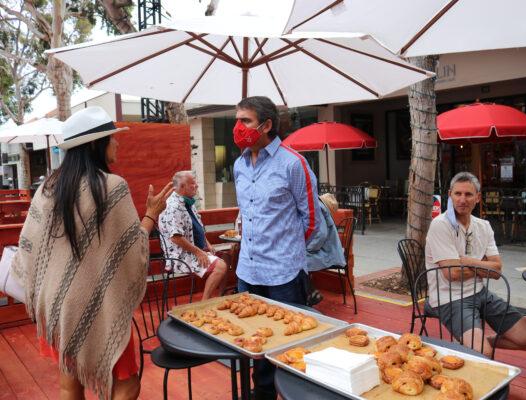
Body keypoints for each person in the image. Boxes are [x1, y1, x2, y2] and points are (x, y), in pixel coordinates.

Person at [9, 106, 173, 400]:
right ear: (97, 144)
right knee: (127, 384)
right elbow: (132, 249)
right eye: (112, 138)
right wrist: (150, 215)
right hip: (103, 307)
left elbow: (28, 246)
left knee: (68, 385)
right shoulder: (112, 187)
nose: (117, 143)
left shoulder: (48, 188)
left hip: (60, 306)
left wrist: (48, 289)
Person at [233, 96, 322, 400]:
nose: (238, 127)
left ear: (267, 125)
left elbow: (312, 219)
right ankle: (260, 394)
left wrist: (290, 250)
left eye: (245, 121)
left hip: (284, 274)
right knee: (252, 338)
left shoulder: (293, 163)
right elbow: (247, 212)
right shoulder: (238, 165)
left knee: (287, 342)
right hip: (248, 270)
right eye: (237, 120)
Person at [424, 171, 526, 357]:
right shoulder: (441, 225)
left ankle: (473, 344)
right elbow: (453, 274)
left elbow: (496, 271)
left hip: (480, 293)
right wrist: (483, 266)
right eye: (458, 193)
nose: (462, 199)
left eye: (468, 194)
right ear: (450, 195)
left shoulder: (483, 226)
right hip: (449, 298)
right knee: (484, 355)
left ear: (477, 198)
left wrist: (467, 261)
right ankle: (474, 346)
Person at [158, 170, 228, 300]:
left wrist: (207, 244)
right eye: (193, 184)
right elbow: (176, 237)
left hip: (194, 249)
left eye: (196, 183)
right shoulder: (173, 206)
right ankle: (205, 301)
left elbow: (196, 227)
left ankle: (219, 297)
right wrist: (198, 252)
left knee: (226, 257)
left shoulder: (187, 201)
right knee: (221, 266)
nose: (196, 186)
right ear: (182, 187)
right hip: (180, 256)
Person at [305, 193, 346, 305]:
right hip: (328, 251)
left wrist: (308, 248)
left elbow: (321, 235)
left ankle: (310, 293)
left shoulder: (318, 208)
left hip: (327, 254)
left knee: (298, 261)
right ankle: (310, 292)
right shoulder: (321, 208)